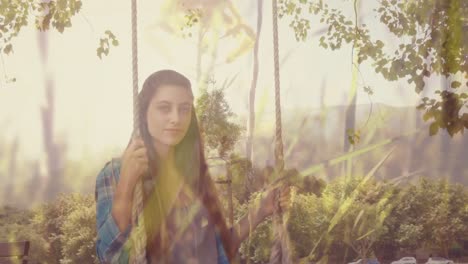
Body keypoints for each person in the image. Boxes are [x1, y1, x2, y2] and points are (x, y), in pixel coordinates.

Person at [95, 69, 290, 263]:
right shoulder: (115, 173)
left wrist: (261, 210)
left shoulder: (193, 176)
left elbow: (218, 248)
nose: (176, 118)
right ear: (144, 112)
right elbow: (110, 257)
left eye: (184, 109)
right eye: (164, 108)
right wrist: (126, 187)